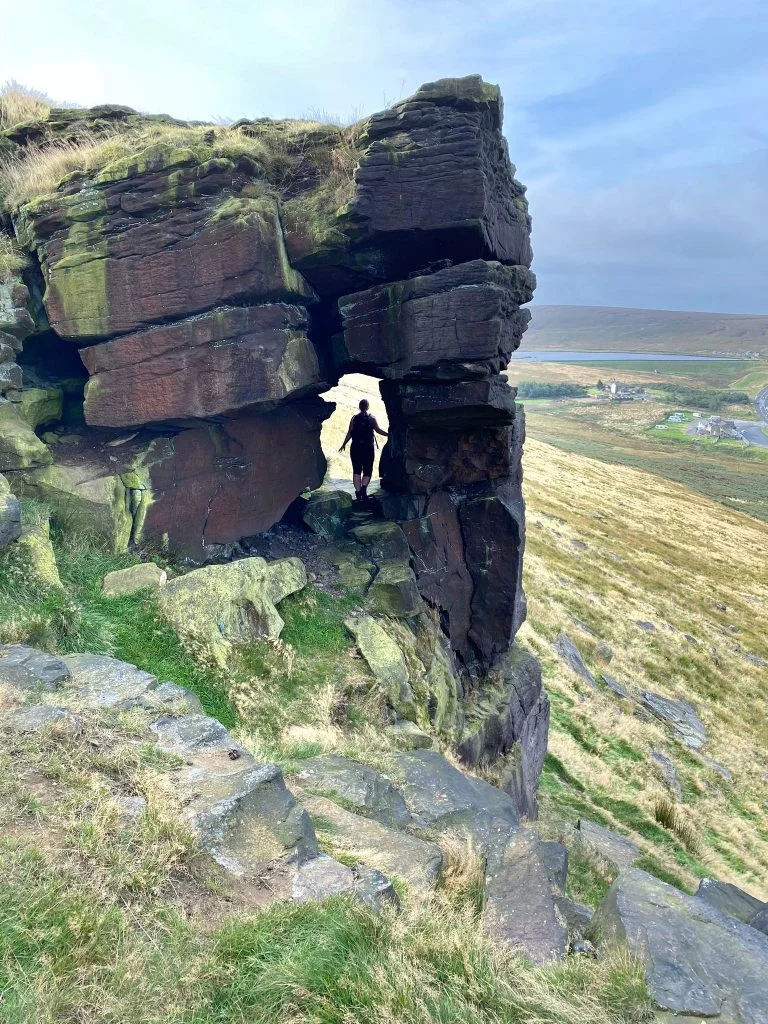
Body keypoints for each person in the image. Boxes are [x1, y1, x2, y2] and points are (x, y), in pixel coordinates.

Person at [339, 398, 388, 501]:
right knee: (367, 470)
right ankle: (364, 490)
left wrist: (343, 444)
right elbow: (378, 430)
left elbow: (349, 432)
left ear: (359, 406)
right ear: (368, 407)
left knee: (356, 470)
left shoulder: (354, 418)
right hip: (368, 448)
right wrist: (389, 434)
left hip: (355, 448)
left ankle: (358, 492)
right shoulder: (372, 418)